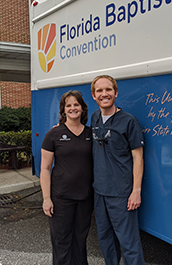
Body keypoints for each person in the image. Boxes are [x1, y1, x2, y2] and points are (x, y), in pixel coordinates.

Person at [91, 75, 145, 265]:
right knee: (105, 239)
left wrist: (135, 191)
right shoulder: (95, 117)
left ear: (116, 92)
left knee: (129, 242)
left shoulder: (129, 121)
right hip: (100, 191)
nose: (104, 94)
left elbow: (138, 157)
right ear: (93, 95)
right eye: (99, 91)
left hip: (121, 193)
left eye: (108, 90)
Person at [40, 90, 94, 265]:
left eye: (76, 104)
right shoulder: (53, 135)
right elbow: (45, 169)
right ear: (63, 110)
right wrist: (46, 198)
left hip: (85, 198)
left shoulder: (90, 134)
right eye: (68, 105)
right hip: (61, 198)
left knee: (80, 240)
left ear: (82, 108)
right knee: (62, 241)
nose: (73, 108)